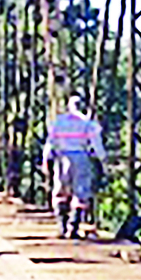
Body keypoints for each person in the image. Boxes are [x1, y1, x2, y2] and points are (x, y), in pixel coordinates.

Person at [43, 96, 106, 237]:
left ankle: (62, 225)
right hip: (81, 157)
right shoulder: (87, 123)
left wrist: (46, 159)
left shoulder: (59, 122)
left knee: (60, 189)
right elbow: (96, 143)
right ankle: (73, 227)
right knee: (81, 191)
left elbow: (50, 142)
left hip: (62, 157)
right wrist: (102, 159)